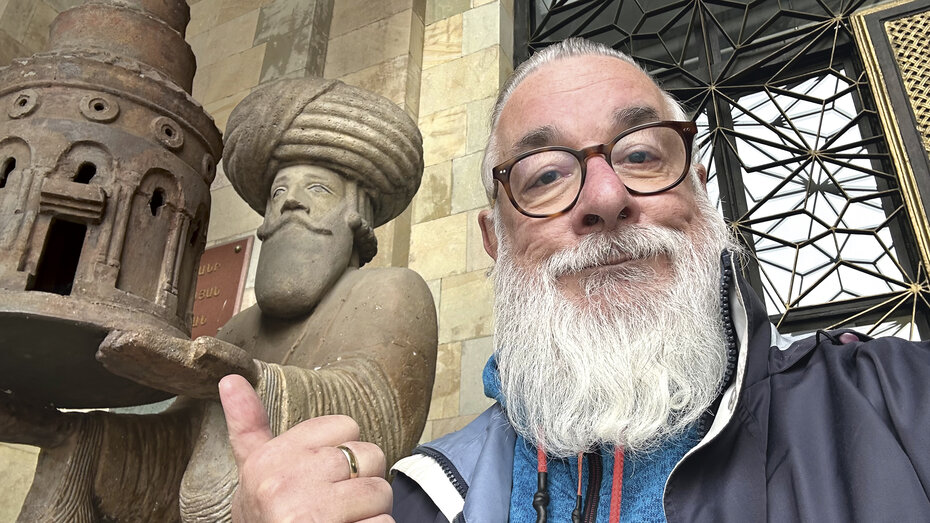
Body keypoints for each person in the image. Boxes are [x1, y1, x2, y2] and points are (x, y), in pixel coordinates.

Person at [220, 38, 930, 522]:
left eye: (642, 154)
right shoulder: (417, 503)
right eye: (546, 175)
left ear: (700, 190)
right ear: (495, 241)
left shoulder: (901, 403)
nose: (605, 197)